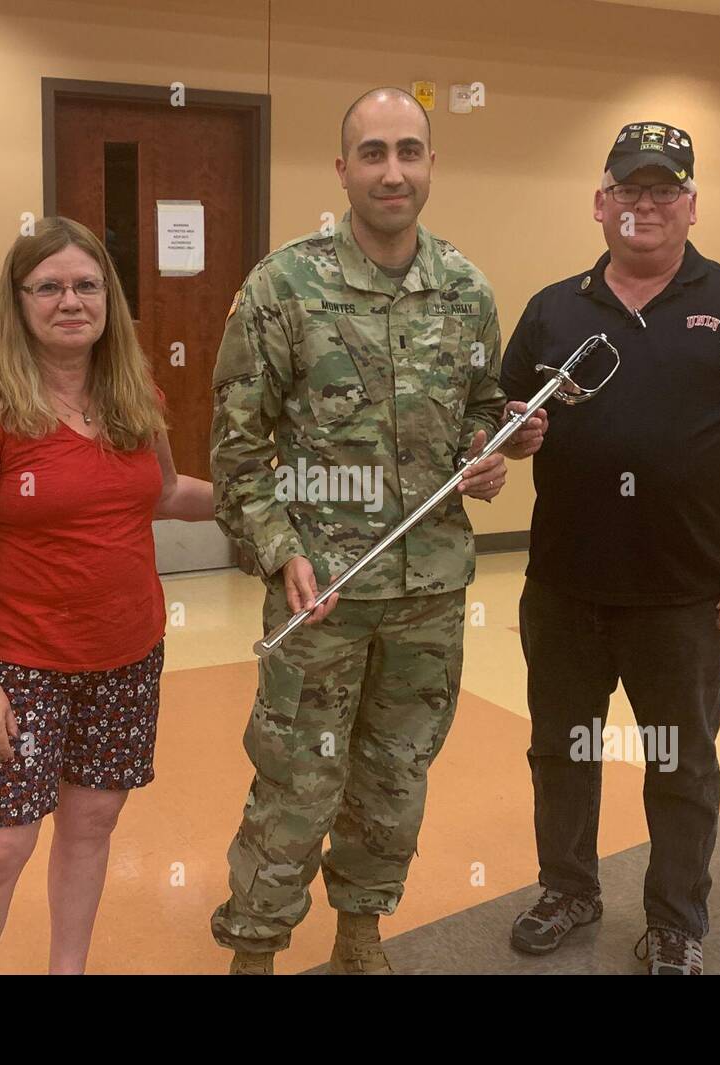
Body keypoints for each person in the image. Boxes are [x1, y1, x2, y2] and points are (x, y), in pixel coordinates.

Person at [208, 87, 545, 975]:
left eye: (408, 151)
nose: (392, 171)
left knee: (396, 777)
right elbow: (238, 451)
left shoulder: (467, 291)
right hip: (322, 591)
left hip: (428, 591)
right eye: (372, 153)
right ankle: (256, 945)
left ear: (431, 164)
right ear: (343, 169)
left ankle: (361, 928)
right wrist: (279, 551)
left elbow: (478, 419)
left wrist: (495, 449)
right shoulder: (282, 287)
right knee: (296, 779)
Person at [499, 122, 720, 974]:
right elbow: (501, 425)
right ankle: (568, 888)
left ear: (690, 204)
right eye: (628, 190)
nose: (645, 205)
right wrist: (511, 440)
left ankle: (676, 919)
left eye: (663, 190)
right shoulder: (552, 309)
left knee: (680, 764)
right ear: (600, 204)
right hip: (565, 588)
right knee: (561, 751)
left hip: (686, 597)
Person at [0, 216, 213, 974]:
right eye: (47, 286)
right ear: (17, 301)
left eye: (87, 285)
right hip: (16, 661)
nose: (70, 300)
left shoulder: (131, 393)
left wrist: (266, 497)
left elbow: (166, 491)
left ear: (108, 299)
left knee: (91, 822)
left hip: (125, 654)